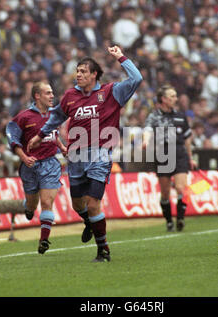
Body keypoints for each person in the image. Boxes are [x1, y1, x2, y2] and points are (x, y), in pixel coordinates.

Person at [28, 46, 142, 262]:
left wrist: (121, 57)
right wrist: (41, 135)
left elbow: (136, 78)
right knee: (78, 205)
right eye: (77, 71)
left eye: (82, 71)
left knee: (93, 204)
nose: (78, 75)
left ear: (94, 75)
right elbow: (55, 118)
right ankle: (89, 222)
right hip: (75, 156)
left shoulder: (110, 92)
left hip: (100, 154)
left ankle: (103, 250)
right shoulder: (70, 95)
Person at [5, 82, 67, 254]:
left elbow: (53, 134)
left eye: (52, 92)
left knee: (47, 202)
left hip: (50, 164)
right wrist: (24, 158)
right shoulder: (23, 117)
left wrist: (61, 147)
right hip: (30, 165)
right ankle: (28, 207)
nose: (52, 96)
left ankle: (44, 239)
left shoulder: (55, 114)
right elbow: (13, 140)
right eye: (48, 93)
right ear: (37, 96)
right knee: (33, 204)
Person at [143, 85, 197, 232]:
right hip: (163, 154)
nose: (176, 98)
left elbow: (187, 140)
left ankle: (180, 218)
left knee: (181, 188)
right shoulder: (154, 116)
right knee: (165, 192)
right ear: (164, 99)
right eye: (172, 96)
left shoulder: (181, 116)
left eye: (175, 96)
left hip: (180, 153)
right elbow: (147, 129)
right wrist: (146, 141)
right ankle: (168, 221)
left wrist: (190, 158)